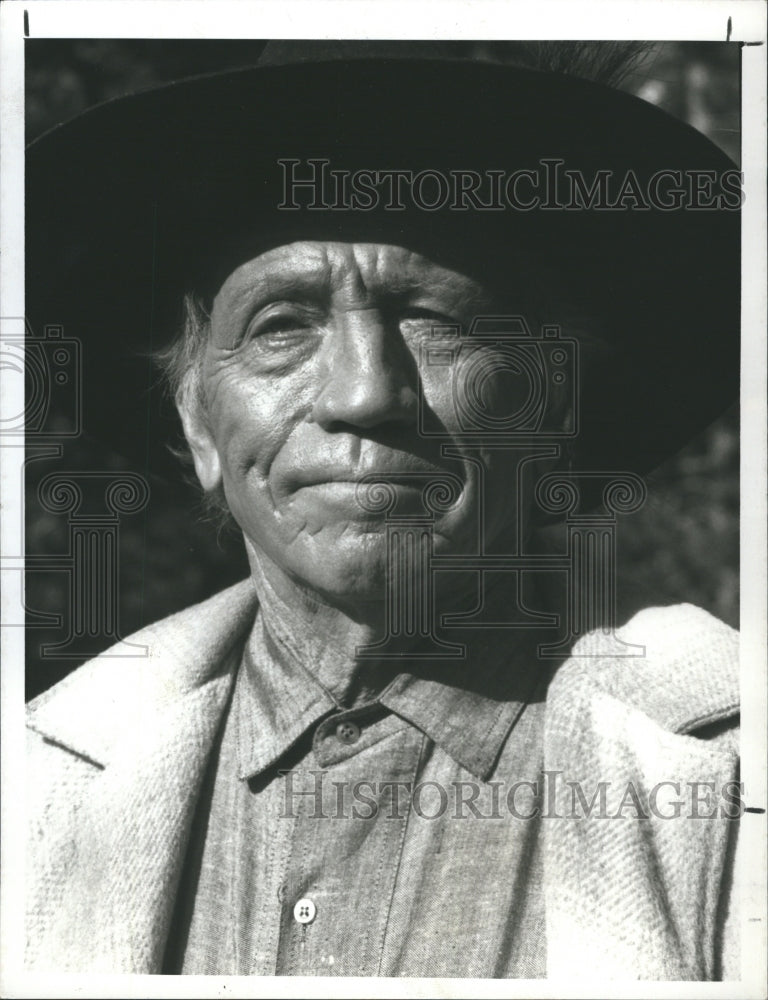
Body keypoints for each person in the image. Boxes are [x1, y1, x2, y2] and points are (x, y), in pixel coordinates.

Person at [24, 41, 741, 979]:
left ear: (552, 406)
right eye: (280, 324)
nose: (366, 393)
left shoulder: (731, 773)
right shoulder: (35, 782)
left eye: (435, 319)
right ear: (198, 425)